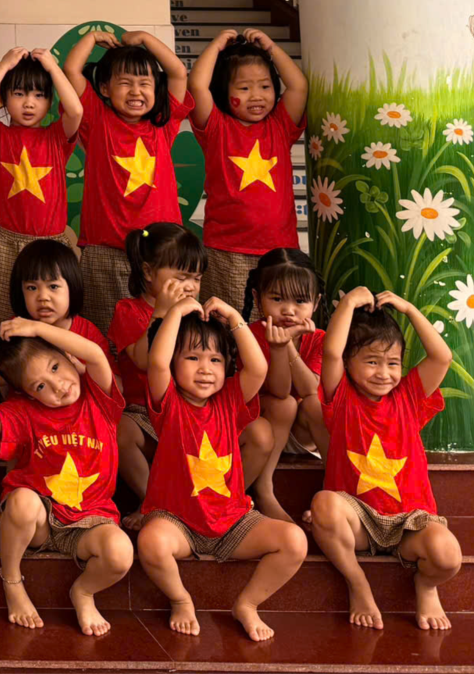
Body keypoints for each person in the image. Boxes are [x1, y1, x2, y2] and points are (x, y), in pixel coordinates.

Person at [136, 297, 307, 643]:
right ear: (174, 363)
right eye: (192, 358)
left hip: (233, 523)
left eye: (215, 359)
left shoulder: (229, 399)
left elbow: (257, 368)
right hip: (178, 522)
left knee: (295, 541)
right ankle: (181, 599)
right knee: (151, 541)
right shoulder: (169, 403)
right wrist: (175, 313)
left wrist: (232, 316)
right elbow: (156, 362)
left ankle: (247, 604)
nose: (205, 369)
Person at [0, 321, 133, 636]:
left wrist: (37, 328)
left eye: (55, 367)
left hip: (91, 522)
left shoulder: (98, 396)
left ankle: (83, 592)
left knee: (121, 553)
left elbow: (95, 354)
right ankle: (12, 580)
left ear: (69, 356)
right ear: (27, 394)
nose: (57, 385)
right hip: (41, 520)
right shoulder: (25, 412)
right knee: (22, 500)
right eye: (40, 386)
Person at [307, 288, 464, 631]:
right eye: (371, 361)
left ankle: (426, 585)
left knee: (448, 556)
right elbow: (331, 352)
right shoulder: (341, 396)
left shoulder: (409, 395)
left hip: (409, 522)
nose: (383, 373)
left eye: (393, 363)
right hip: (359, 521)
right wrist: (348, 303)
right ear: (349, 363)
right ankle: (357, 583)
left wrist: (409, 309)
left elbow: (442, 357)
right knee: (324, 504)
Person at [61, 27, 193, 329]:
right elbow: (72, 70)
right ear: (105, 88)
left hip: (162, 254)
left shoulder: (163, 125)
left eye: (145, 83)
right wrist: (91, 38)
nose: (136, 92)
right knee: (106, 332)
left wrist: (145, 38)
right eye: (125, 83)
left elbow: (177, 72)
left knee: (162, 331)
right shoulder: (95, 119)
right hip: (105, 251)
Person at [187, 29, 308, 308]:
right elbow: (197, 86)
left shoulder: (280, 125)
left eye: (265, 86)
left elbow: (299, 86)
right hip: (226, 250)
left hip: (280, 249)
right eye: (244, 88)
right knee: (229, 322)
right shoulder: (216, 128)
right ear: (224, 91)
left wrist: (271, 47)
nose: (257, 96)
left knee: (279, 321)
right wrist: (217, 45)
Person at [0, 48, 84, 335]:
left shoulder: (56, 136)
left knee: (52, 323)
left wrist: (53, 67)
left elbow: (76, 111)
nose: (29, 103)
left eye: (39, 95)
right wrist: (4, 64)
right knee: (1, 323)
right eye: (19, 94)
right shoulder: (0, 136)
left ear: (50, 101)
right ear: (5, 98)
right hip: (6, 244)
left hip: (51, 244)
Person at [111, 221, 205, 502]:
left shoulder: (196, 314)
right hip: (142, 414)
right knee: (121, 432)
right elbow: (143, 360)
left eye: (197, 278)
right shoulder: (128, 311)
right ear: (149, 272)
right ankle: (153, 502)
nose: (190, 286)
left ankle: (206, 503)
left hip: (186, 411)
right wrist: (162, 312)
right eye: (182, 277)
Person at [252, 247, 328, 519]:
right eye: (277, 298)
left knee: (314, 403)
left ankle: (335, 487)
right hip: (263, 426)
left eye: (300, 301)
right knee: (284, 404)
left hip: (302, 434)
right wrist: (279, 346)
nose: (288, 310)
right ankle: (264, 489)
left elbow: (309, 389)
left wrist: (289, 347)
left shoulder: (318, 339)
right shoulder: (252, 334)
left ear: (316, 303)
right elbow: (279, 391)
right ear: (257, 299)